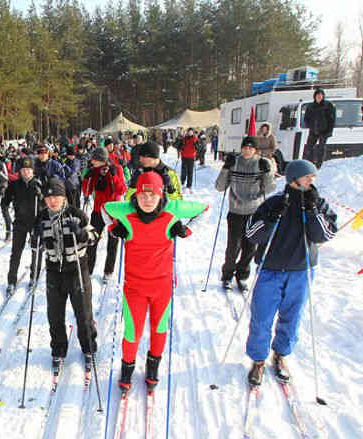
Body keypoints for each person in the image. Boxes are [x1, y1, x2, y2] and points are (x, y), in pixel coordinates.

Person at [104, 172, 207, 392]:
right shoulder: (127, 212)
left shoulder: (172, 212)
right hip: (135, 289)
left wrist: (186, 228)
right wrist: (113, 227)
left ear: (161, 196)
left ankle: (153, 369)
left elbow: (204, 209)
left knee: (159, 329)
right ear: (136, 197)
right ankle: (127, 369)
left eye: (153, 195)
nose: (147, 200)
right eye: (143, 195)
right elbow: (104, 208)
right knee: (133, 332)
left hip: (162, 287)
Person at [244, 160, 337, 386]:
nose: (311, 180)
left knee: (292, 318)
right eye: (307, 176)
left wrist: (313, 210)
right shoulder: (274, 203)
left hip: (300, 272)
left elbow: (324, 235)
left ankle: (281, 355)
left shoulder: (318, 203)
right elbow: (252, 234)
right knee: (262, 318)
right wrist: (271, 217)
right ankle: (258, 360)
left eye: (313, 177)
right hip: (270, 270)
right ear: (294, 178)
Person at [31, 178, 98, 378]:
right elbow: (35, 242)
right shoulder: (42, 217)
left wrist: (82, 235)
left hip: (77, 269)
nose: (52, 201)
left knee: (84, 314)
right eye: (49, 197)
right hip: (53, 270)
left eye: (56, 197)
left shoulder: (76, 215)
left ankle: (88, 348)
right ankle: (58, 349)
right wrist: (35, 237)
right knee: (55, 315)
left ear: (64, 197)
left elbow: (95, 236)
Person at [215, 137, 276, 291]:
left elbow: (269, 189)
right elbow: (219, 186)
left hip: (255, 213)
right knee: (233, 247)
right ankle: (227, 276)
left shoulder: (262, 163)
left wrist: (268, 172)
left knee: (250, 248)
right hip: (235, 211)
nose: (247, 150)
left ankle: (242, 276)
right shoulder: (234, 162)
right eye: (245, 147)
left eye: (251, 147)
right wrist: (225, 168)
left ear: (255, 150)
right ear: (241, 148)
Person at [81, 147, 127, 282]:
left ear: (102, 159)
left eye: (94, 159)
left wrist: (113, 176)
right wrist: (87, 178)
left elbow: (122, 189)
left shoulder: (116, 168)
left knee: (113, 242)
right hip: (98, 210)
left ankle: (108, 271)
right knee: (92, 240)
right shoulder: (94, 171)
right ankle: (88, 270)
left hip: (113, 211)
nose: (92, 161)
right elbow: (87, 191)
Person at [2, 157, 44, 295]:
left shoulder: (39, 183)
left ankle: (34, 277)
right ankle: (11, 280)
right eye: (23, 170)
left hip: (35, 222)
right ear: (20, 171)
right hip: (20, 222)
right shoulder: (14, 184)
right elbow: (5, 200)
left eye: (29, 170)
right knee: (16, 252)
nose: (26, 173)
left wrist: (41, 196)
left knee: (36, 250)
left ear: (33, 171)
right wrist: (3, 201)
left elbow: (46, 203)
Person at [302, 88, 335, 168]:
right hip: (313, 130)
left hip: (324, 130)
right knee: (309, 147)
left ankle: (319, 165)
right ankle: (310, 164)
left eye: (321, 95)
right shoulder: (310, 106)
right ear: (315, 96)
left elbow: (332, 119)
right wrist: (310, 125)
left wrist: (329, 131)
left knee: (321, 148)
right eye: (317, 95)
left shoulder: (328, 105)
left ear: (323, 96)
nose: (319, 97)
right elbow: (306, 118)